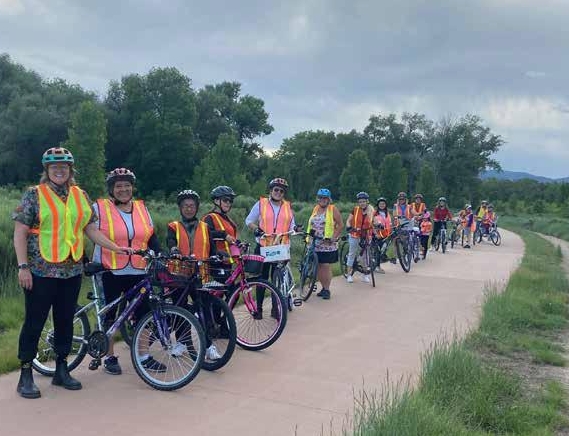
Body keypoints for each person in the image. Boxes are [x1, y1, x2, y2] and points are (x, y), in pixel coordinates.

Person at [13, 147, 131, 399]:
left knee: (66, 320)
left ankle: (61, 370)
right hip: (40, 270)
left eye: (64, 167)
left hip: (71, 270)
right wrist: (23, 266)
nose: (59, 170)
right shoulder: (34, 194)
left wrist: (116, 248)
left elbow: (90, 229)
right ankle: (25, 374)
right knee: (35, 321)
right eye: (54, 167)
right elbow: (20, 232)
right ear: (47, 171)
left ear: (70, 170)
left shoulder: (80, 195)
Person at [92, 168, 163, 376]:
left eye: (127, 185)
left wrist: (161, 255)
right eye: (118, 186)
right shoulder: (99, 207)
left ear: (132, 187)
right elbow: (89, 231)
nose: (123, 189)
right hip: (109, 268)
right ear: (112, 190)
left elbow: (150, 235)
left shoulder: (142, 208)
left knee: (144, 313)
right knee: (110, 314)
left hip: (138, 268)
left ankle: (144, 356)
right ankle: (110, 357)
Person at [168, 189, 223, 361]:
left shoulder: (205, 227)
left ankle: (208, 346)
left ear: (197, 207)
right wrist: (174, 250)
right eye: (185, 206)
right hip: (179, 274)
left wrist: (217, 257)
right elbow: (170, 242)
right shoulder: (173, 226)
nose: (189, 209)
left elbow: (212, 248)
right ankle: (181, 343)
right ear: (180, 208)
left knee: (205, 309)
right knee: (180, 308)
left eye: (192, 206)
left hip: (202, 274)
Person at [246, 178, 299, 317]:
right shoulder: (261, 203)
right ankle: (259, 308)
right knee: (261, 279)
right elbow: (249, 221)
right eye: (276, 189)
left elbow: (292, 225)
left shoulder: (287, 206)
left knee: (277, 278)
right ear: (271, 190)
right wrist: (256, 229)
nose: (278, 192)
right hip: (263, 246)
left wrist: (296, 228)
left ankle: (276, 309)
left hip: (280, 248)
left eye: (282, 191)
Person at [305, 188, 343, 300]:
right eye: (320, 198)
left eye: (325, 198)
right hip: (314, 243)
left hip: (327, 244)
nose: (322, 200)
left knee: (325, 266)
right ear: (318, 199)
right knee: (319, 267)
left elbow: (340, 225)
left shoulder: (332, 209)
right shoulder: (316, 209)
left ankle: (326, 289)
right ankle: (322, 287)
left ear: (328, 199)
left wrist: (333, 237)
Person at [345, 192, 374, 283]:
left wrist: (379, 224)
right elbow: (348, 221)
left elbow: (375, 220)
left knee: (365, 256)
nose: (362, 203)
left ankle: (365, 274)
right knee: (352, 254)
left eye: (363, 201)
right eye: (360, 201)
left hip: (366, 235)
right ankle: (349, 274)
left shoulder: (371, 210)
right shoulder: (355, 210)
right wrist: (349, 226)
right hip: (355, 234)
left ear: (367, 201)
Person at [373, 197, 394, 274]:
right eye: (380, 204)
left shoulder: (387, 213)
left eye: (383, 204)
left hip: (385, 234)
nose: (382, 205)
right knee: (378, 250)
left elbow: (389, 223)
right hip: (377, 234)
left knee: (383, 249)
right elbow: (372, 223)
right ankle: (377, 267)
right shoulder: (374, 213)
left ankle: (376, 263)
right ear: (378, 205)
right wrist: (375, 232)